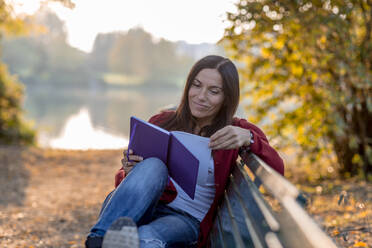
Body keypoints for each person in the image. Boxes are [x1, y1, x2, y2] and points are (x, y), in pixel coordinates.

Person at [85, 55, 284, 248]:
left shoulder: (235, 130)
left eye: (213, 91)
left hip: (185, 219)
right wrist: (130, 171)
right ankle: (98, 240)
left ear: (226, 97)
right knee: (154, 166)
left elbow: (277, 170)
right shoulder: (162, 122)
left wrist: (249, 139)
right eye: (196, 85)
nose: (200, 96)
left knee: (145, 237)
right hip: (144, 206)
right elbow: (122, 182)